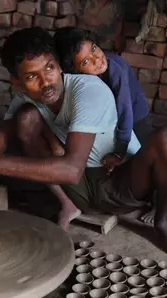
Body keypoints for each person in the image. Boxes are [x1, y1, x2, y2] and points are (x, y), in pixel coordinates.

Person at [0, 27, 167, 257]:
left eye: (49, 68)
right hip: (76, 189)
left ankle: (163, 221)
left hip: (122, 183)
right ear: (17, 82)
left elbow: (69, 169)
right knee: (26, 118)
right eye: (32, 77)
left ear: (59, 65)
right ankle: (67, 205)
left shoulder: (89, 91)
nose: (46, 82)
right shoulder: (24, 99)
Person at [54, 27, 156, 224]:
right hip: (114, 115)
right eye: (85, 61)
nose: (96, 58)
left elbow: (125, 112)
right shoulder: (80, 82)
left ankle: (157, 204)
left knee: (147, 157)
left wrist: (119, 151)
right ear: (73, 71)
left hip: (135, 114)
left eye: (94, 48)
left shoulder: (115, 68)